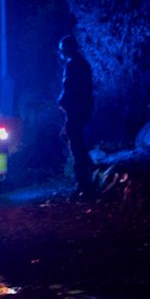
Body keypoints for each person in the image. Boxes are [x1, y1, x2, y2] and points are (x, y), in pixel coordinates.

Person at [57, 34, 96, 195]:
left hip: (76, 110)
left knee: (75, 143)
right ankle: (89, 170)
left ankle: (83, 183)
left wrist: (63, 102)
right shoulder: (79, 64)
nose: (61, 51)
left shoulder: (75, 65)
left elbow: (73, 89)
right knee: (72, 139)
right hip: (78, 109)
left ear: (70, 47)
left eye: (63, 48)